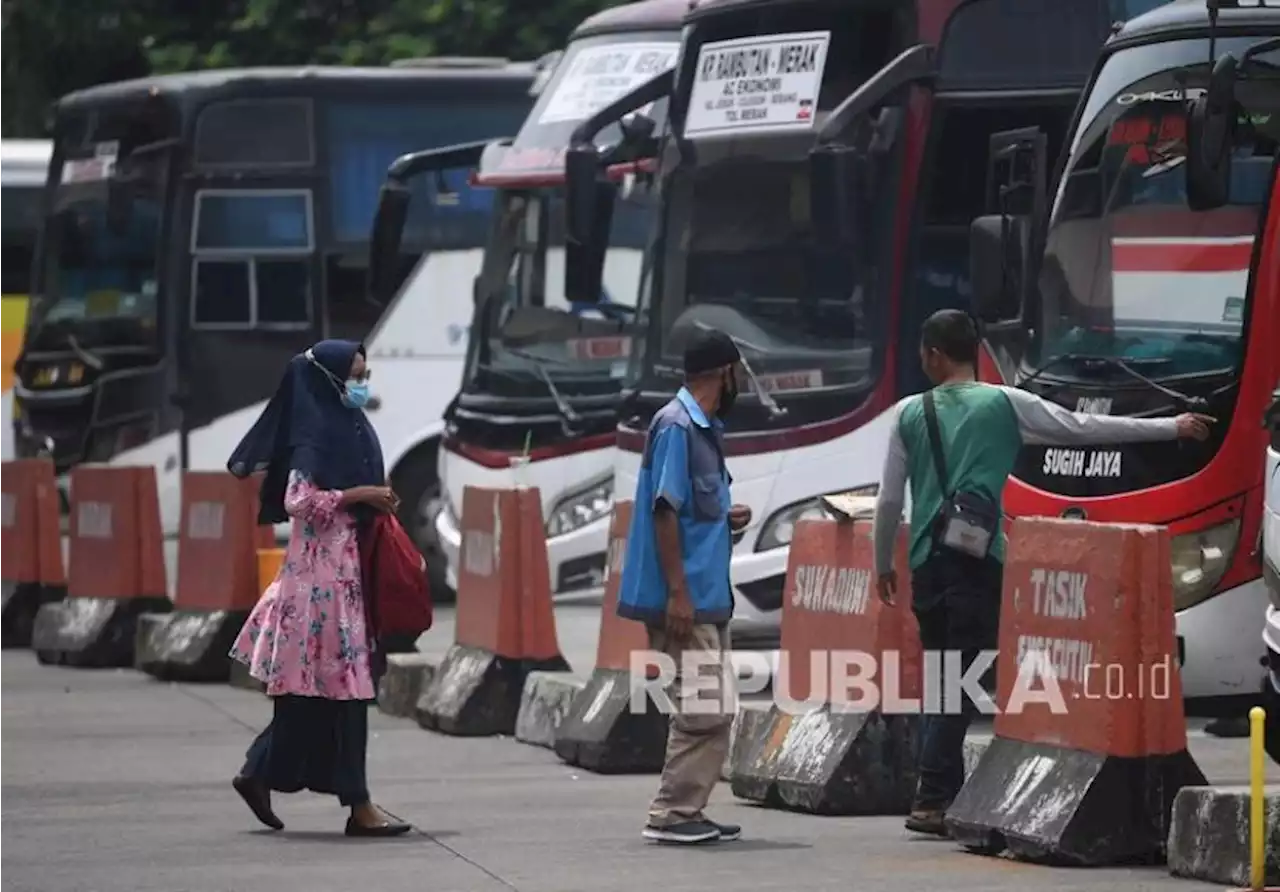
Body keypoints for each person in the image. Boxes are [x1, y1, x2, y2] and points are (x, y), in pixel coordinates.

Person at [871, 309, 1213, 837]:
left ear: (934, 355)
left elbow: (890, 498)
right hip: (978, 561)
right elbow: (1084, 429)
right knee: (959, 683)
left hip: (925, 565)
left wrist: (881, 564)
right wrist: (1171, 426)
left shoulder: (908, 414)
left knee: (943, 678)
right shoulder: (1005, 403)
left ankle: (941, 792)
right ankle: (933, 795)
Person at [225, 339, 412, 837]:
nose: (361, 384)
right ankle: (359, 805)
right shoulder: (312, 435)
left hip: (346, 575)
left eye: (364, 373)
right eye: (353, 375)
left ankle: (261, 770)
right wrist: (362, 494)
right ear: (328, 380)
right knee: (347, 690)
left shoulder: (349, 425)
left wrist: (377, 497)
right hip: (320, 585)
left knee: (315, 694)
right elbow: (297, 499)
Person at [616, 327, 752, 845]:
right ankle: (672, 814)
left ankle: (686, 809)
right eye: (737, 372)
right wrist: (677, 592)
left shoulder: (702, 429)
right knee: (705, 707)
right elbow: (665, 510)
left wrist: (726, 519)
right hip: (686, 600)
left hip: (706, 596)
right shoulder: (677, 426)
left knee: (712, 708)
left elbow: (693, 510)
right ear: (724, 372)